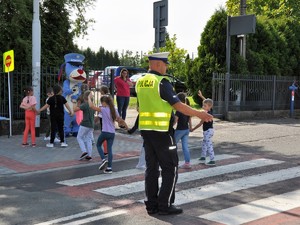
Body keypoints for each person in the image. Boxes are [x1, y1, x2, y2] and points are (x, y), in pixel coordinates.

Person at [136, 52, 213, 215]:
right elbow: (177, 105)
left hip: (146, 132)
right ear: (157, 64)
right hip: (163, 132)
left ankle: (151, 205)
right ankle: (165, 205)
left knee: (151, 169)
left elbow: (139, 107)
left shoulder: (140, 82)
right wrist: (199, 113)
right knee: (170, 168)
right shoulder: (161, 82)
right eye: (165, 64)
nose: (167, 67)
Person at [88, 93, 128, 174]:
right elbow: (120, 121)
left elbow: (91, 106)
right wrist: (127, 127)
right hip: (112, 133)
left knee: (98, 144)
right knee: (109, 150)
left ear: (104, 103)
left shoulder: (103, 109)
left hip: (105, 132)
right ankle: (109, 168)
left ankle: (103, 159)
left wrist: (89, 97)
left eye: (101, 102)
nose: (101, 104)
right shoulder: (114, 110)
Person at [191, 90, 215, 166]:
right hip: (208, 131)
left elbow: (200, 123)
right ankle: (203, 157)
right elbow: (207, 102)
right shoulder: (210, 110)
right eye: (203, 105)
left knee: (209, 145)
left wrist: (193, 129)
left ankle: (212, 160)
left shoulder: (206, 114)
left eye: (204, 106)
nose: (203, 107)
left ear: (209, 107)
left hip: (208, 131)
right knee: (204, 144)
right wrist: (201, 96)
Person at [74, 90, 94, 161]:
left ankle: (84, 151)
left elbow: (75, 110)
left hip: (85, 124)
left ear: (84, 97)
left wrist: (75, 103)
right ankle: (89, 155)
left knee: (79, 137)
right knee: (88, 139)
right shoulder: (92, 104)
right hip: (91, 124)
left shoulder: (85, 104)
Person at [174, 92, 192, 169]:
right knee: (185, 147)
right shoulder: (187, 109)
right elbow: (190, 119)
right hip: (186, 130)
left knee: (172, 145)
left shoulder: (179, 110)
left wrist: (170, 127)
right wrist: (191, 127)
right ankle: (187, 163)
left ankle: (174, 162)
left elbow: (175, 121)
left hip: (180, 130)